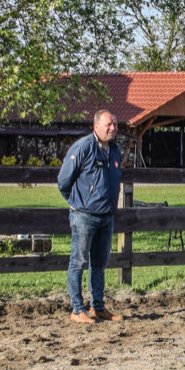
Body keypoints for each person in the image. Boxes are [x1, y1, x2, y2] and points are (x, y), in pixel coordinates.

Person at [58, 109, 124, 323]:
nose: (112, 128)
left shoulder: (115, 150)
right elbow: (64, 180)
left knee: (99, 263)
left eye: (114, 124)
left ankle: (98, 307)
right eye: (108, 124)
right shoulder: (83, 148)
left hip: (106, 216)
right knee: (78, 262)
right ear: (96, 126)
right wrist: (78, 202)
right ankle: (77, 309)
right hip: (84, 216)